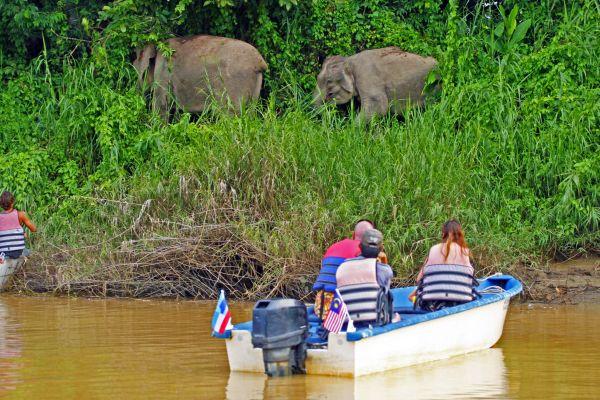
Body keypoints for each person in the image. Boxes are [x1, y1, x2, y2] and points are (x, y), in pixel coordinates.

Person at [313, 220, 377, 320]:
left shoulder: (332, 247)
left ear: (353, 234)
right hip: (339, 308)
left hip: (320, 307)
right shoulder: (363, 251)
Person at [411, 220, 476, 311]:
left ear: (443, 234)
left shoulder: (433, 249)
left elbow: (418, 279)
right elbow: (470, 280)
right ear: (461, 235)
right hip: (460, 303)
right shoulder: (466, 252)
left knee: (416, 297)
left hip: (431, 305)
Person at [336, 229, 394, 326]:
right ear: (381, 249)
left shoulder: (342, 266)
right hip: (373, 323)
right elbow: (386, 292)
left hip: (346, 324)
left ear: (360, 246)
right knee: (393, 309)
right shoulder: (385, 270)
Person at [0, 191, 37, 260]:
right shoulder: (20, 214)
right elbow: (34, 229)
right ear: (12, 203)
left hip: (3, 252)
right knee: (30, 252)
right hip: (18, 252)